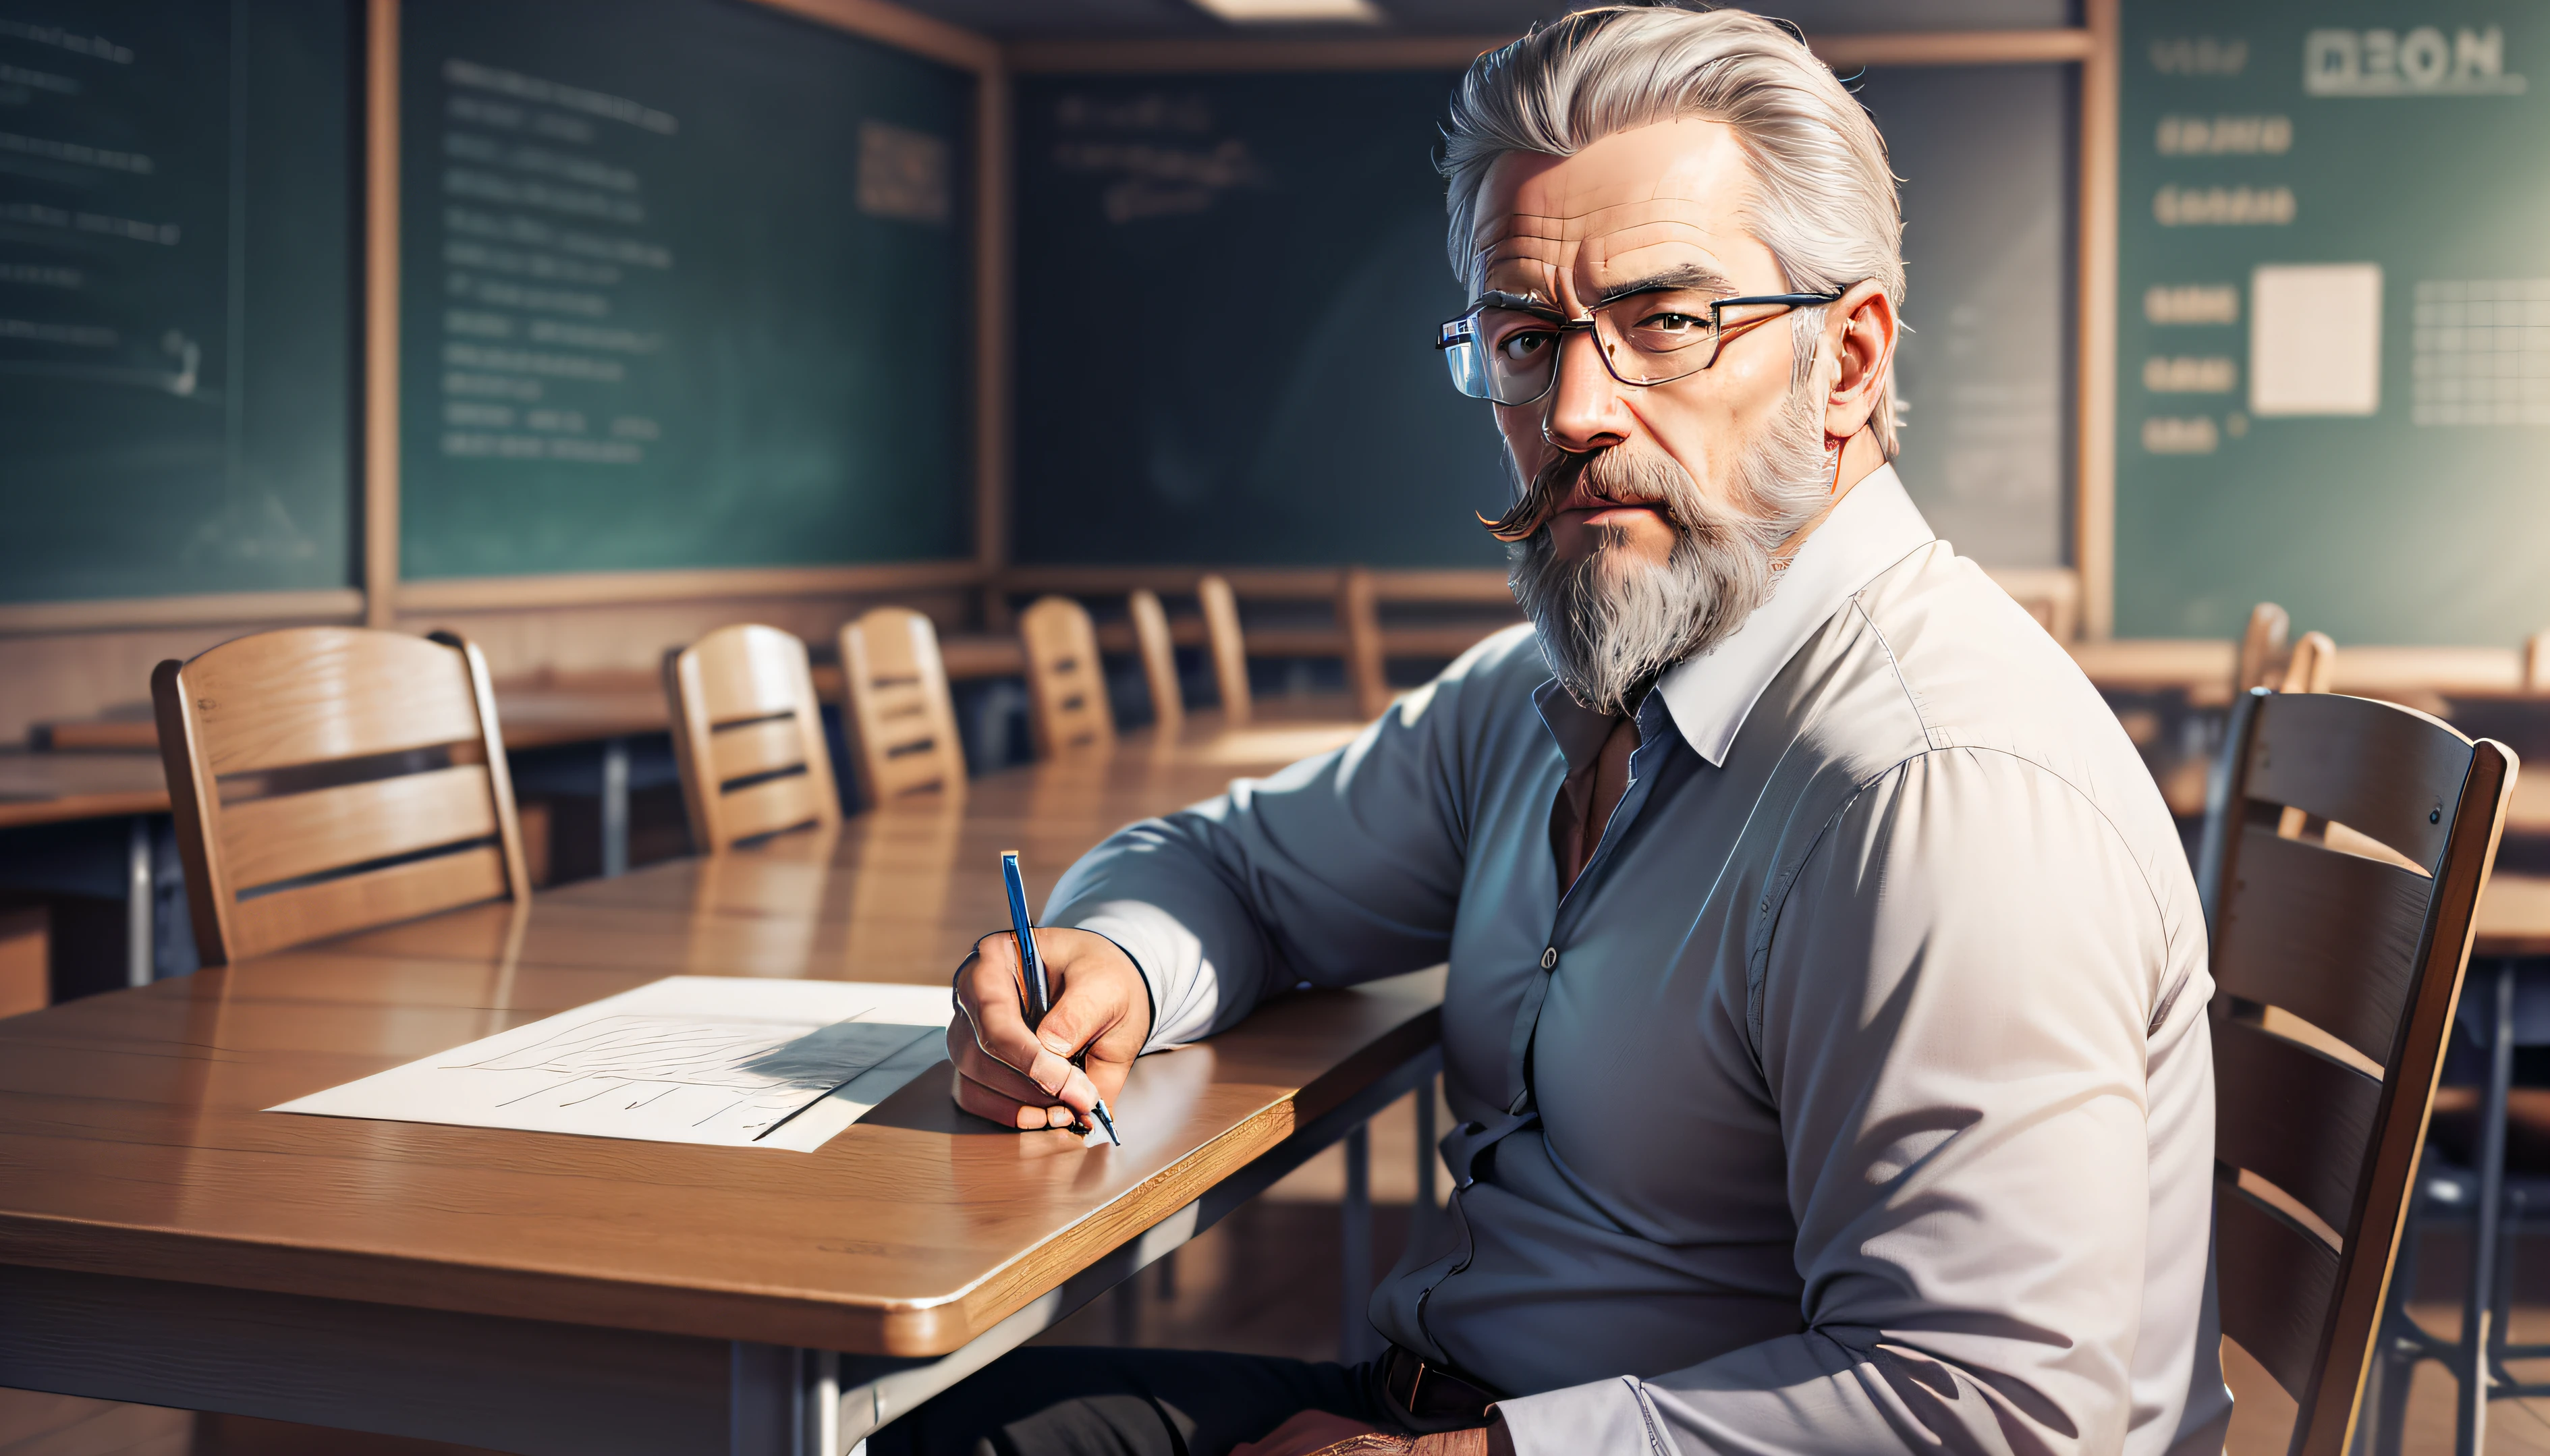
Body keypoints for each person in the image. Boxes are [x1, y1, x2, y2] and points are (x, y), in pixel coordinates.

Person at [887, 7, 2228, 1454]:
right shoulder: (1552, 689)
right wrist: (1117, 965)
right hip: (1437, 1398)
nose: (1575, 409)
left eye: (1667, 320)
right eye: (1526, 339)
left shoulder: (1934, 794)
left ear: (1846, 363)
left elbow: (2000, 1414)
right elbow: (1232, 867)